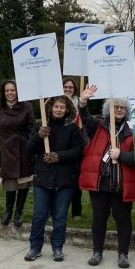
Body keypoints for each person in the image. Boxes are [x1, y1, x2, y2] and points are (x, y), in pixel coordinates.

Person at [77, 85, 135, 269]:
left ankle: (123, 253)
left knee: (123, 220)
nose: (119, 110)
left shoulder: (132, 133)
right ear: (108, 110)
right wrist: (82, 102)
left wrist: (121, 155)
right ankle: (97, 251)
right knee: (99, 218)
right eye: (115, 107)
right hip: (101, 184)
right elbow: (85, 117)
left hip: (122, 185)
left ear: (127, 111)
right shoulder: (96, 127)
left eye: (122, 107)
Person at [23, 96, 84, 261]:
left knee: (60, 216)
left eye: (62, 107)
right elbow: (29, 148)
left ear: (67, 110)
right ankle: (35, 247)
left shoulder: (72, 128)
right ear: (50, 108)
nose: (59, 110)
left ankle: (57, 247)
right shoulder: (40, 126)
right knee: (39, 215)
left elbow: (79, 151)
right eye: (56, 106)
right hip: (43, 179)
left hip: (65, 181)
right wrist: (39, 136)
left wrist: (59, 156)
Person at [0, 80, 35, 227]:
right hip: (7, 150)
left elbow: (32, 127)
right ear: (3, 92)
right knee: (10, 182)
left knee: (24, 181)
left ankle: (19, 211)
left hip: (24, 149)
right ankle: (8, 210)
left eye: (12, 90)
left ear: (18, 91)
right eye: (7, 90)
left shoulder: (27, 106)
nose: (10, 93)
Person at [61, 77, 84, 219]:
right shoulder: (55, 103)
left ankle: (76, 211)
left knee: (76, 179)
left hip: (75, 143)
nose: (68, 89)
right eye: (65, 87)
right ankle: (56, 210)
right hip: (60, 143)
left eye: (70, 87)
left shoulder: (79, 103)